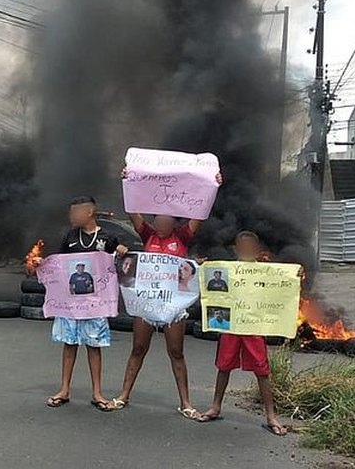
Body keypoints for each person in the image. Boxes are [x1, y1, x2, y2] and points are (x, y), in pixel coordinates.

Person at [110, 169, 223, 419]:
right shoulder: (147, 233)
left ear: (174, 222)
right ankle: (123, 395)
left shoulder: (182, 236)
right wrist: (126, 181)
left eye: (165, 223)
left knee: (176, 352)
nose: (160, 227)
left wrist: (212, 187)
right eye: (157, 222)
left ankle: (185, 402)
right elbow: (132, 211)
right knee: (138, 349)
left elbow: (199, 213)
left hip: (173, 305)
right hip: (146, 303)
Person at [197, 231, 291, 436]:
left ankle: (271, 415)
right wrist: (201, 267)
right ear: (236, 250)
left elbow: (284, 288)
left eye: (251, 248)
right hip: (231, 327)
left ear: (258, 252)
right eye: (243, 248)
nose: (247, 251)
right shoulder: (227, 271)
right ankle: (216, 406)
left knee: (262, 371)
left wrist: (296, 275)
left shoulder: (267, 273)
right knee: (223, 366)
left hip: (253, 327)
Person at [44, 196, 127, 411]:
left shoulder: (108, 237)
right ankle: (64, 389)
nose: (71, 217)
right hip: (71, 304)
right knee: (69, 344)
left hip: (95, 303)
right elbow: (58, 265)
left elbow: (120, 262)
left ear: (89, 213)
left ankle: (97, 393)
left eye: (75, 213)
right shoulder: (70, 237)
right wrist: (41, 267)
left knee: (94, 346)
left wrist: (121, 251)